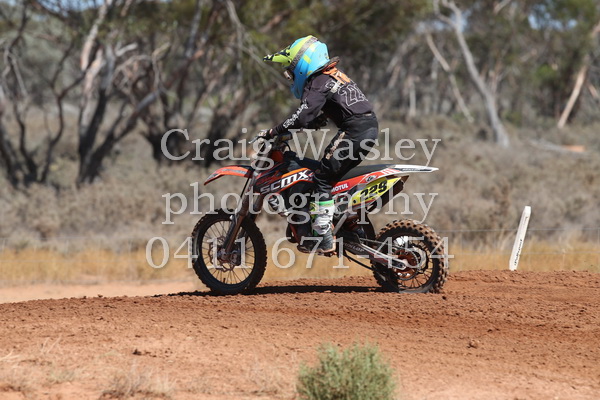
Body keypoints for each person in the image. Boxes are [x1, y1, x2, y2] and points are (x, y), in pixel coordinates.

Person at [263, 35, 379, 254]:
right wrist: (314, 121)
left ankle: (324, 236)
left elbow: (302, 116)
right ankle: (347, 223)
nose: (290, 77)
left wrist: (274, 131)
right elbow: (327, 110)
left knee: (322, 179)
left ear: (302, 64)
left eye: (291, 70)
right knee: (330, 175)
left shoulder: (318, 82)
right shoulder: (333, 76)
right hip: (368, 127)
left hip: (354, 131)